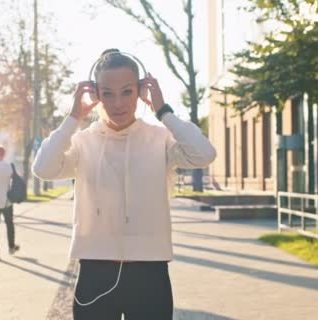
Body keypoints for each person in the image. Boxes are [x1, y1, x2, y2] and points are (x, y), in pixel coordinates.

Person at [32, 49, 216, 320]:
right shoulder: (82, 142)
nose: (118, 102)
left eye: (127, 91)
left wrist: (163, 110)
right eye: (107, 93)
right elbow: (42, 168)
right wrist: (73, 119)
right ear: (96, 95)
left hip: (150, 273)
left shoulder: (160, 139)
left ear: (141, 90)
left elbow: (205, 153)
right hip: (95, 271)